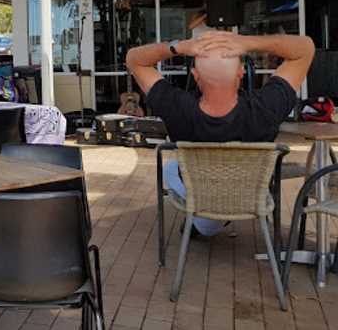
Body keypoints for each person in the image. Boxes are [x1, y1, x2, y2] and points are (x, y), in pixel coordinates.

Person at [126, 31, 314, 237]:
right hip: (252, 198)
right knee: (172, 169)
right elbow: (305, 48)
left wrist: (179, 47)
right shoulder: (265, 108)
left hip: (203, 201)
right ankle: (209, 222)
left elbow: (134, 59)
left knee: (170, 169)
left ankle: (206, 224)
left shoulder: (176, 107)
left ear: (195, 76)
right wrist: (248, 42)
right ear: (241, 73)